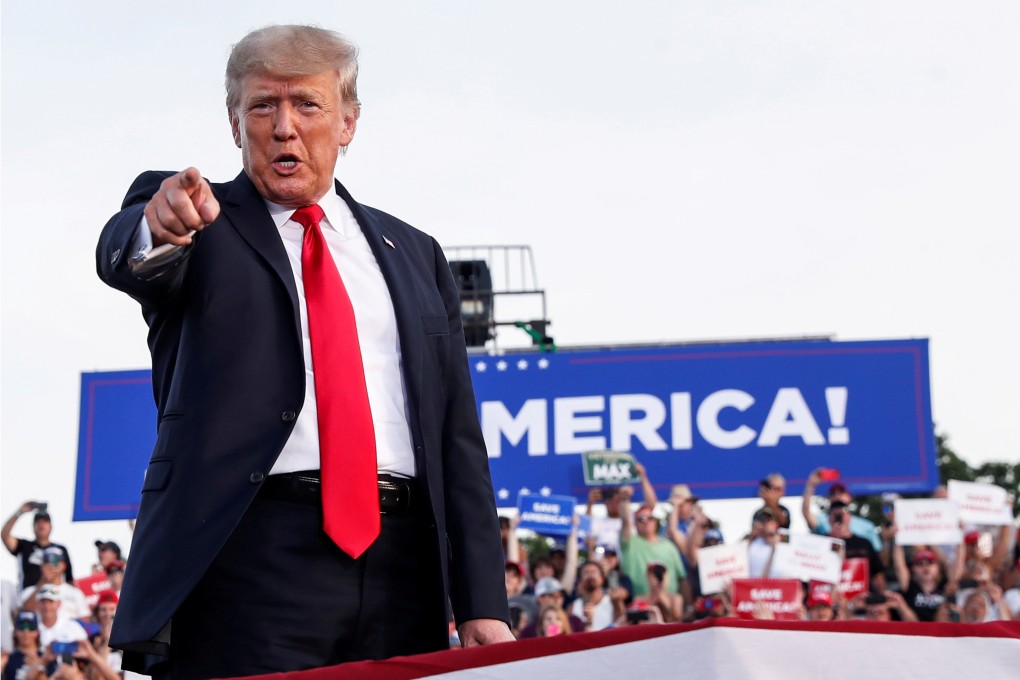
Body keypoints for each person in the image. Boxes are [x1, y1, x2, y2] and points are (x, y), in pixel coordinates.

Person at [95, 24, 511, 678]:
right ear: (235, 124)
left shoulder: (416, 254)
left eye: (307, 105)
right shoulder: (203, 221)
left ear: (348, 122)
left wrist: (485, 599)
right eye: (263, 106)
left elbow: (457, 436)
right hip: (248, 560)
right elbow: (130, 253)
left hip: (404, 568)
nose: (284, 126)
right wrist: (159, 225)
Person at [2, 505, 74, 592]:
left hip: (54, 599)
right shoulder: (24, 546)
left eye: (45, 521)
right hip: (27, 600)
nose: (41, 525)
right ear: (33, 527)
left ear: (51, 527)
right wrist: (20, 511)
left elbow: (69, 579)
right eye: (38, 522)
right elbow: (5, 535)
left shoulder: (60, 549)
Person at [801, 474, 881, 551]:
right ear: (829, 498)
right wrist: (811, 485)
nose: (837, 496)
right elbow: (806, 513)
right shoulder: (822, 520)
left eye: (841, 492)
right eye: (833, 493)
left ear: (849, 497)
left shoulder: (866, 526)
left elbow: (877, 554)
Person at [19, 550, 89, 621]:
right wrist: (42, 582)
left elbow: (86, 620)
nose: (51, 565)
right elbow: (26, 613)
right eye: (47, 562)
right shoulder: (29, 592)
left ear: (64, 565)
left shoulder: (75, 593)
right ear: (41, 566)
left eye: (55, 561)